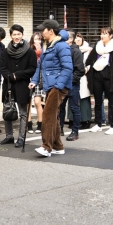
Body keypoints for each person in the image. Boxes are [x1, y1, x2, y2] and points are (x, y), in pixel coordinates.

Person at [29, 19, 72, 157]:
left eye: (44, 30)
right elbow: (40, 66)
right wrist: (35, 81)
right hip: (51, 85)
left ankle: (47, 147)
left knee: (47, 115)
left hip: (57, 86)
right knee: (53, 115)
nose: (42, 33)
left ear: (51, 31)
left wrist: (58, 85)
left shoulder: (61, 46)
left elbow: (68, 67)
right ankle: (58, 146)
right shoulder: (49, 45)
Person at [0, 24, 36, 147]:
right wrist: (10, 76)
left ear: (22, 35)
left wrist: (17, 75)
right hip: (8, 85)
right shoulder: (5, 51)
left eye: (19, 34)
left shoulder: (29, 51)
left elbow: (32, 69)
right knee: (8, 110)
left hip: (22, 84)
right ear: (11, 36)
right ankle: (9, 136)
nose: (16, 37)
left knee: (23, 112)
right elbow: (2, 67)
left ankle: (21, 137)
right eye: (14, 34)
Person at [85, 27, 113, 135]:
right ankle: (98, 124)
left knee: (112, 102)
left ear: (111, 35)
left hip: (110, 78)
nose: (102, 36)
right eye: (101, 33)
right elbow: (89, 61)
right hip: (97, 77)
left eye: (105, 34)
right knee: (98, 102)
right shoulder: (97, 47)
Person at [58, 30, 84, 141]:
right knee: (60, 107)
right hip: (61, 84)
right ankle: (60, 129)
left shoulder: (76, 52)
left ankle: (75, 131)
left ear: (71, 39)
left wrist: (69, 80)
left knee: (74, 108)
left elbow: (80, 70)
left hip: (73, 84)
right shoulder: (60, 49)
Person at [74, 33, 93, 129]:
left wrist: (86, 69)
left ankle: (86, 120)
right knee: (74, 98)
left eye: (79, 39)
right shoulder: (73, 49)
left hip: (85, 77)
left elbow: (91, 62)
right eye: (76, 39)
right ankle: (74, 120)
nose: (77, 41)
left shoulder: (88, 50)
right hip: (75, 76)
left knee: (84, 98)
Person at [27, 31, 44, 134]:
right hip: (28, 78)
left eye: (39, 39)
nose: (38, 41)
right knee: (27, 103)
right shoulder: (28, 50)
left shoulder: (44, 51)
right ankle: (28, 125)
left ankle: (40, 124)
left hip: (39, 79)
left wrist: (40, 52)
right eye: (36, 39)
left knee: (37, 102)